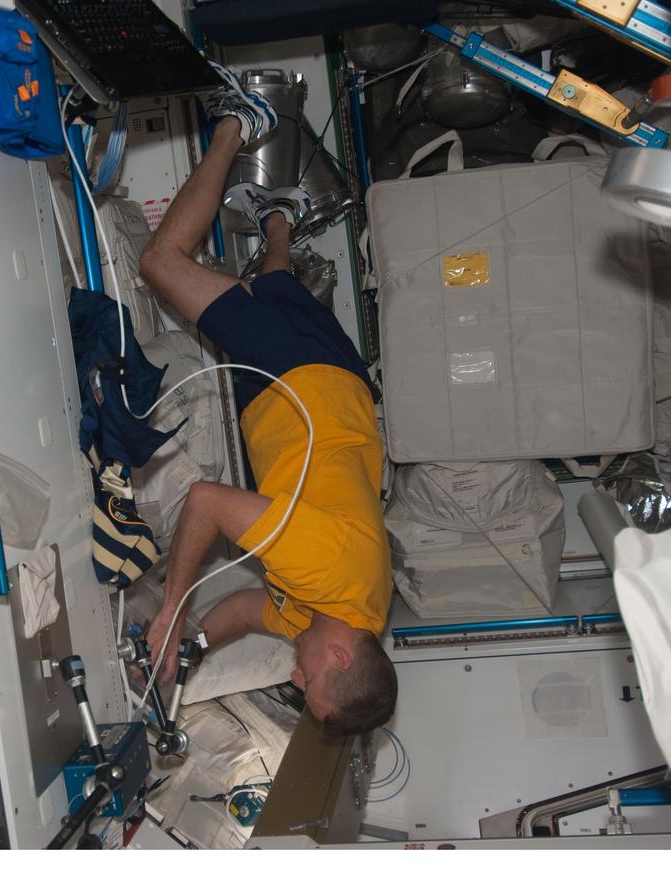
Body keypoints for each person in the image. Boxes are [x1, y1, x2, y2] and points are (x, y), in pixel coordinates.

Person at [139, 63, 397, 737]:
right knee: (162, 263)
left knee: (272, 291)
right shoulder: (330, 572)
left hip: (322, 402)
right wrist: (171, 608)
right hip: (302, 385)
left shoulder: (338, 615)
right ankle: (240, 122)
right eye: (311, 685)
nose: (295, 678)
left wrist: (189, 648)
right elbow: (206, 502)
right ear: (341, 658)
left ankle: (279, 216)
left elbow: (248, 611)